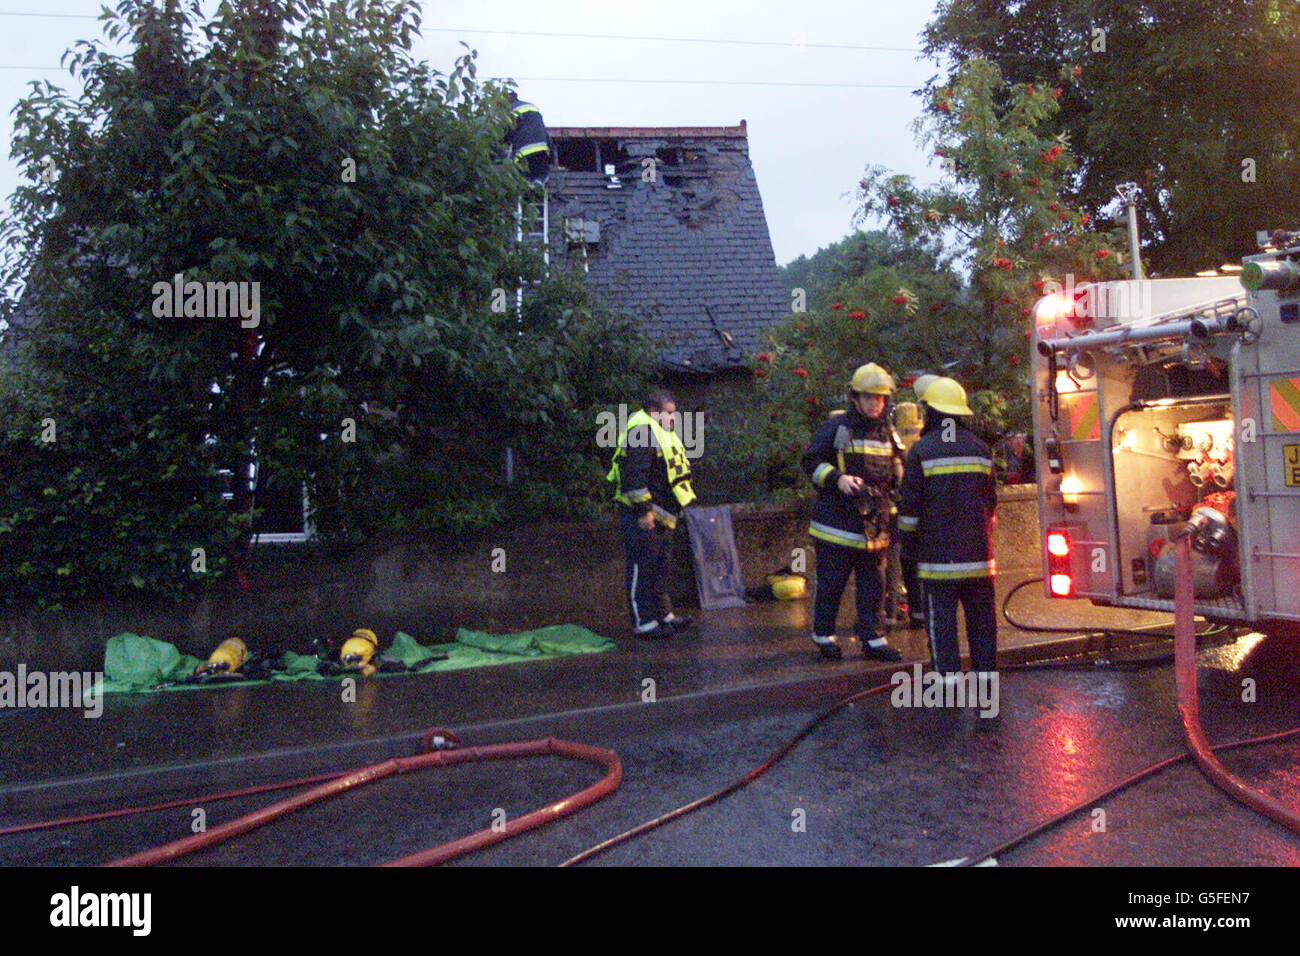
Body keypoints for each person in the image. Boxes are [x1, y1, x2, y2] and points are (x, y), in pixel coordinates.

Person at [801, 363, 905, 662]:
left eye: (881, 398)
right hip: (836, 524)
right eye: (869, 398)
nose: (876, 404)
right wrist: (838, 479)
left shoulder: (889, 434)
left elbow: (899, 473)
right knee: (831, 583)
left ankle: (872, 639)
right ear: (855, 399)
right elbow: (811, 463)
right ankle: (824, 636)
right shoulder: (836, 429)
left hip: (873, 527)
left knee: (874, 585)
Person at [897, 377, 999, 677]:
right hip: (979, 561)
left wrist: (908, 547)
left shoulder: (921, 451)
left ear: (930, 412)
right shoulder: (981, 450)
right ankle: (985, 678)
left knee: (941, 626)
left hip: (937, 563)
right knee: (982, 623)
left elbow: (909, 512)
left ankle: (948, 683)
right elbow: (990, 503)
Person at [607, 389, 697, 639]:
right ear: (654, 412)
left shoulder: (658, 431)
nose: (674, 418)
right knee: (642, 567)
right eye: (669, 413)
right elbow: (634, 477)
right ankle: (644, 622)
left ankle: (664, 615)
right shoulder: (641, 431)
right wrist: (644, 511)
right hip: (644, 514)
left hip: (662, 513)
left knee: (660, 567)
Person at [507, 91, 551, 184]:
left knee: (524, 180)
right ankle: (539, 185)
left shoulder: (510, 111)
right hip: (541, 149)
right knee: (540, 176)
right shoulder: (532, 107)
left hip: (523, 153)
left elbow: (506, 134)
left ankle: (529, 189)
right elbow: (543, 130)